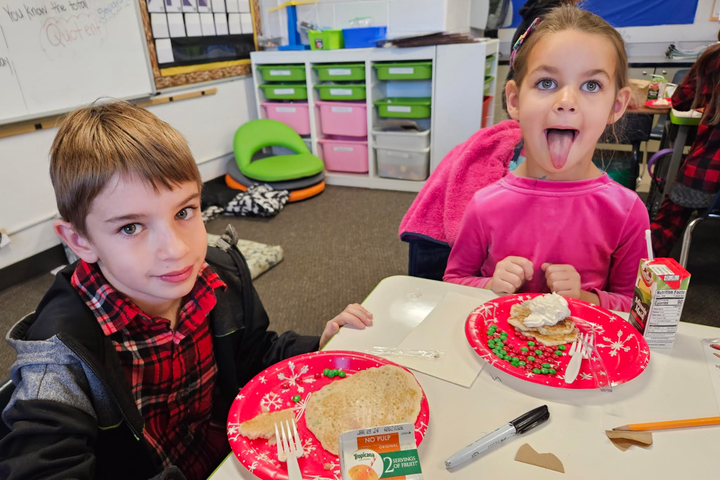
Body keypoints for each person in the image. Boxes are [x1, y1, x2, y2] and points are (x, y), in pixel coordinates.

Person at [0, 101, 373, 480]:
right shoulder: (59, 357)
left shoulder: (219, 275)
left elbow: (254, 353)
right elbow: (41, 462)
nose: (177, 250)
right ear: (79, 240)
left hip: (230, 456)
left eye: (184, 212)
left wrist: (318, 346)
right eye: (131, 227)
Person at [444, 3, 649, 312]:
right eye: (546, 83)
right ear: (514, 100)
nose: (566, 101)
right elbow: (454, 281)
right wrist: (489, 284)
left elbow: (634, 307)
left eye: (591, 85)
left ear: (616, 106)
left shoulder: (628, 212)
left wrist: (584, 298)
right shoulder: (485, 204)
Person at [651, 30, 720, 257]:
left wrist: (707, 103)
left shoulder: (713, 57)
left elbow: (680, 102)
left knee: (665, 225)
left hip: (705, 175)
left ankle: (637, 270)